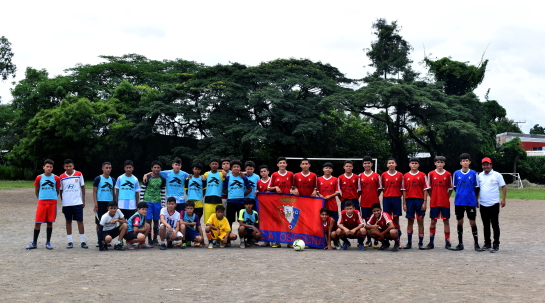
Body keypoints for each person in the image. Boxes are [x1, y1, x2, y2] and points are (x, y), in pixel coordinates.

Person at [26, 159, 61, 250]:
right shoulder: (39, 178)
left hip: (52, 203)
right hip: (42, 202)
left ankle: (48, 242)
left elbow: (57, 191)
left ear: (52, 168)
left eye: (50, 167)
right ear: (43, 167)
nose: (49, 168)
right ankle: (34, 243)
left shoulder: (56, 178)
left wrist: (52, 197)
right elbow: (36, 191)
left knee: (50, 223)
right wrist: (41, 198)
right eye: (47, 167)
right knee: (38, 222)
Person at [451, 153, 482, 251]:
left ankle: (476, 244)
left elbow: (477, 188)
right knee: (460, 221)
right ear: (460, 162)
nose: (465, 162)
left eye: (467, 160)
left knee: (472, 222)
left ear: (469, 162)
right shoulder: (456, 173)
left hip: (471, 202)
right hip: (459, 202)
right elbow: (455, 187)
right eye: (463, 161)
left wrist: (476, 199)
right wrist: (461, 194)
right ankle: (460, 244)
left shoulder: (474, 173)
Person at [477, 157, 506, 253]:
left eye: (488, 164)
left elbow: (503, 186)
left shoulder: (497, 175)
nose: (486, 166)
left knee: (494, 224)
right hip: (483, 204)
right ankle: (487, 243)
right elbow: (477, 189)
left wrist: (503, 199)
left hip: (494, 204)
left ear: (491, 165)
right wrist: (476, 199)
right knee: (485, 225)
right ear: (482, 166)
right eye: (484, 164)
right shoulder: (479, 176)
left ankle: (496, 244)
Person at [425, 156, 453, 250]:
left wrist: (446, 197)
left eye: (441, 162)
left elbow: (450, 189)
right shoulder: (431, 174)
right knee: (433, 221)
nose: (440, 164)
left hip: (445, 202)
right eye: (438, 162)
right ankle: (431, 242)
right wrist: (433, 196)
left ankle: (447, 242)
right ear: (435, 163)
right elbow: (428, 188)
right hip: (435, 202)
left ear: (444, 164)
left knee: (446, 221)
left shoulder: (448, 174)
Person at [402, 157, 430, 250]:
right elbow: (404, 190)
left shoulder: (422, 175)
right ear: (409, 164)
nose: (414, 165)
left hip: (419, 200)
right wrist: (404, 203)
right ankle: (409, 243)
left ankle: (420, 243)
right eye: (412, 163)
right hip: (409, 200)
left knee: (420, 221)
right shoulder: (405, 176)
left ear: (418, 165)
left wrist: (425, 202)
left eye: (415, 163)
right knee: (410, 220)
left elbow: (425, 190)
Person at [59, 159, 87, 249]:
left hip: (77, 202)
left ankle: (83, 241)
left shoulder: (79, 174)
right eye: (66, 166)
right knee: (68, 221)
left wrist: (83, 200)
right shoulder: (62, 177)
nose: (68, 168)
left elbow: (82, 187)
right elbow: (61, 190)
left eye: (70, 166)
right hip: (67, 203)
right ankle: (70, 241)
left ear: (73, 166)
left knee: (80, 221)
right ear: (64, 167)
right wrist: (63, 201)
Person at [267, 157, 294, 248]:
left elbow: (294, 186)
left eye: (284, 163)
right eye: (280, 163)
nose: (282, 164)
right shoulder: (274, 175)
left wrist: (293, 189)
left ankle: (289, 241)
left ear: (286, 164)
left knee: (289, 221)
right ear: (277, 165)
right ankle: (277, 241)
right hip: (277, 203)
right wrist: (275, 187)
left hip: (288, 202)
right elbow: (268, 188)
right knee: (278, 221)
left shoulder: (290, 174)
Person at [359, 156, 382, 248]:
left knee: (376, 221)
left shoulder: (377, 176)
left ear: (372, 164)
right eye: (365, 163)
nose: (367, 165)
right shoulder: (360, 176)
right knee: (367, 222)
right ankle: (369, 240)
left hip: (374, 202)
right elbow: (359, 190)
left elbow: (380, 189)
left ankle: (376, 240)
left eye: (368, 163)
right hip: (364, 202)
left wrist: (374, 196)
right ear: (362, 165)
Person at [380, 158, 404, 248]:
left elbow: (402, 189)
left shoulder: (400, 175)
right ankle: (386, 240)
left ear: (395, 164)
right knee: (387, 220)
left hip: (397, 198)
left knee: (396, 218)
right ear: (387, 165)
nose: (391, 164)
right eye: (389, 163)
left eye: (392, 163)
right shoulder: (383, 175)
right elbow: (382, 188)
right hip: (386, 198)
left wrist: (397, 195)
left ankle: (398, 241)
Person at [223, 160, 252, 231]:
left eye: (237, 167)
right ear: (232, 168)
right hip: (231, 202)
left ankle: (243, 239)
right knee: (229, 220)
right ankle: (228, 237)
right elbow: (224, 189)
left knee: (242, 220)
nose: (236, 168)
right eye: (234, 167)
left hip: (241, 202)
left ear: (240, 168)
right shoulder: (228, 178)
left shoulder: (244, 178)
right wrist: (230, 194)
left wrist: (242, 194)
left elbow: (249, 189)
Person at [142, 160, 166, 246]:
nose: (156, 169)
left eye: (158, 167)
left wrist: (163, 204)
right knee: (148, 221)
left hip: (157, 202)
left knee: (156, 220)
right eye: (154, 167)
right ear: (151, 168)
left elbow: (163, 192)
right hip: (147, 201)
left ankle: (155, 238)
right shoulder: (147, 178)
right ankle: (149, 239)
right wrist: (142, 203)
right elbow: (142, 190)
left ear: (160, 169)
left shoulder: (162, 179)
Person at [93, 162, 116, 248]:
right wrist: (96, 204)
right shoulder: (98, 179)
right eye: (106, 168)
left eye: (110, 168)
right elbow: (94, 192)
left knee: (109, 222)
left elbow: (113, 192)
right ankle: (99, 240)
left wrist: (115, 203)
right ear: (102, 168)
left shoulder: (112, 180)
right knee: (99, 223)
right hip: (100, 202)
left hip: (109, 203)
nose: (108, 169)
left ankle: (107, 240)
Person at [203, 158, 226, 224]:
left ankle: (217, 234)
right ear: (210, 165)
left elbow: (231, 175)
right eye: (213, 164)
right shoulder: (206, 174)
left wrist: (223, 171)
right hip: (208, 199)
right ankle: (209, 234)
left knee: (218, 221)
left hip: (218, 199)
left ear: (218, 165)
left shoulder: (221, 174)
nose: (214, 165)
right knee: (208, 222)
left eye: (216, 164)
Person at [255, 165, 271, 246]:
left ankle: (273, 239)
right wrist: (256, 193)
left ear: (268, 172)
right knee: (263, 222)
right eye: (261, 171)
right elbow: (258, 192)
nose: (263, 173)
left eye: (265, 171)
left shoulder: (272, 180)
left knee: (272, 221)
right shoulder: (259, 182)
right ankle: (266, 240)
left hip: (272, 205)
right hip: (263, 206)